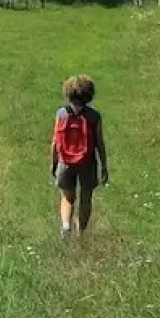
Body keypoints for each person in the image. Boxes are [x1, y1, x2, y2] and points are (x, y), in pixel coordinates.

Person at [51, 75, 108, 237]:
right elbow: (99, 143)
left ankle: (66, 226)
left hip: (65, 161)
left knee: (67, 196)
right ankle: (81, 233)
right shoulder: (94, 116)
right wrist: (103, 165)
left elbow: (55, 142)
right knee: (86, 198)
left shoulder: (62, 114)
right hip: (87, 162)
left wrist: (54, 163)